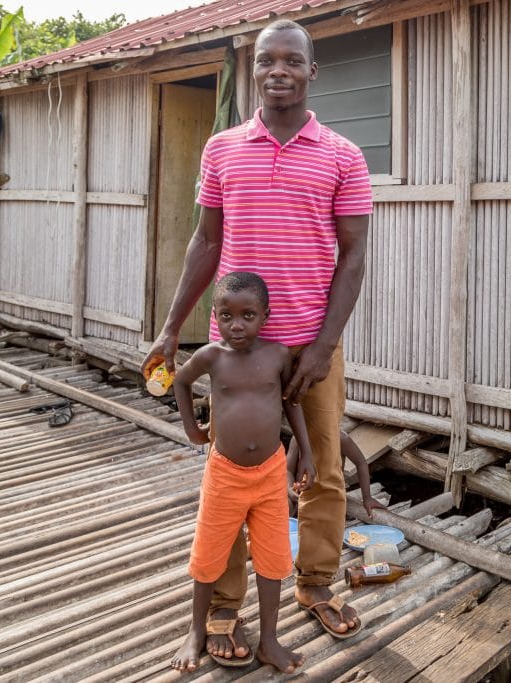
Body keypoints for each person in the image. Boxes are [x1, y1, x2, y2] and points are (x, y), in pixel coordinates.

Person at [142, 18, 372, 661]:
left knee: (322, 468)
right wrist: (170, 329)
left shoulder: (343, 155)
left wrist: (324, 346)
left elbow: (353, 257)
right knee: (233, 473)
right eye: (266, 60)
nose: (278, 70)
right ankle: (223, 607)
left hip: (310, 345)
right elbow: (205, 242)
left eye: (291, 61)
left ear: (311, 72)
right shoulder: (221, 149)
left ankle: (317, 582)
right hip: (237, 353)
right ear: (253, 70)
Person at [170, 272, 315, 674]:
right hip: (225, 474)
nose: (237, 325)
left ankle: (270, 639)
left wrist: (306, 452)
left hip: (270, 474)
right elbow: (181, 383)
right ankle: (196, 631)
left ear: (264, 316)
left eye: (248, 315)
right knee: (208, 555)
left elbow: (292, 404)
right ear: (215, 317)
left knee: (273, 558)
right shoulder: (211, 357)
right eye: (227, 316)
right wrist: (192, 430)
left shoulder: (278, 355)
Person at [286, 430, 388, 519]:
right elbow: (288, 470)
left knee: (325, 516)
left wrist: (367, 498)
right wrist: (290, 489)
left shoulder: (341, 438)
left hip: (330, 495)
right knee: (285, 506)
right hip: (302, 495)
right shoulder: (297, 438)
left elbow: (361, 463)